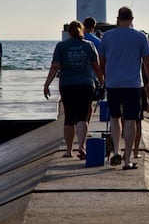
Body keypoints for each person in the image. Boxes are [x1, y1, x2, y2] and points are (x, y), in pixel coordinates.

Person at [99, 6, 149, 169]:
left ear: (117, 19)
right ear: (132, 19)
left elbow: (102, 61)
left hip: (113, 83)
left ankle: (116, 150)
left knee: (115, 117)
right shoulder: (140, 37)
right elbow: (148, 61)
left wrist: (106, 76)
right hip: (133, 84)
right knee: (131, 120)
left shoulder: (107, 36)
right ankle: (127, 158)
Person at [43, 21, 104, 159]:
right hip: (86, 84)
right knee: (82, 116)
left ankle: (69, 150)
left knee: (69, 117)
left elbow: (55, 66)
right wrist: (102, 81)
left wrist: (47, 84)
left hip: (67, 85)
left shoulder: (61, 46)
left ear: (69, 32)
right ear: (81, 31)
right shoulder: (89, 45)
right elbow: (96, 66)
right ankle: (81, 146)